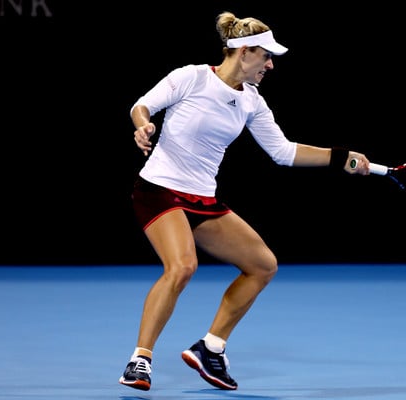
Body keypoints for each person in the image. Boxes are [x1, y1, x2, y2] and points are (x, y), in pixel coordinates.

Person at [118, 10, 372, 392]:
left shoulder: (252, 101)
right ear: (244, 51)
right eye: (265, 57)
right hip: (159, 189)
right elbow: (141, 105)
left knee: (262, 265)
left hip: (201, 197)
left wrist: (341, 157)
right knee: (183, 266)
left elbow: (283, 152)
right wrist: (143, 126)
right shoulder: (191, 76)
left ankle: (211, 347)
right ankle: (140, 360)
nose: (270, 65)